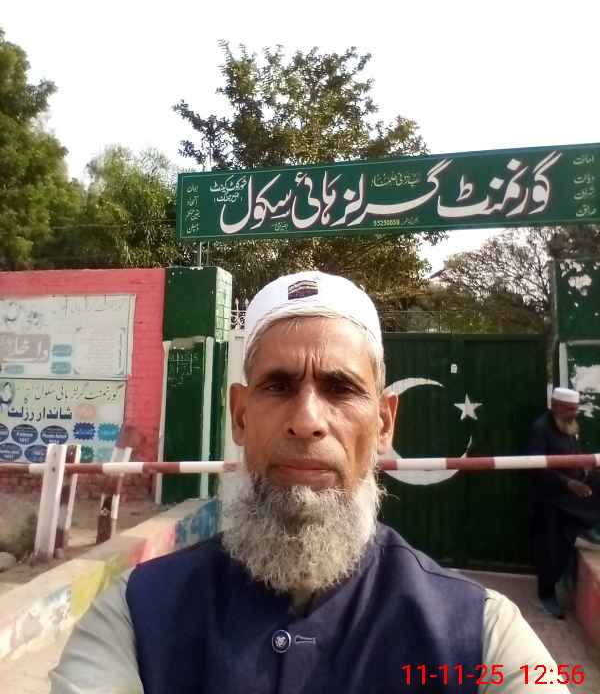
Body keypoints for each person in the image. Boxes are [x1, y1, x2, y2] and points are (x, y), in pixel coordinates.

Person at [52, 271, 568, 693]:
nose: (306, 421)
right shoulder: (135, 616)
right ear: (239, 415)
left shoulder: (479, 636)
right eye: (278, 386)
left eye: (340, 388)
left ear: (384, 423)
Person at [527, 386, 600, 619]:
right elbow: (536, 467)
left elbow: (574, 455)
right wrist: (568, 483)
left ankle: (588, 526)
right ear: (555, 405)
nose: (574, 414)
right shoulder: (540, 428)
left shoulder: (569, 425)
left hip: (573, 488)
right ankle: (546, 595)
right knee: (551, 548)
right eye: (569, 409)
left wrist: (586, 469)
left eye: (575, 409)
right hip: (551, 496)